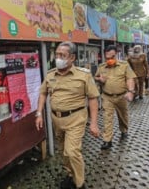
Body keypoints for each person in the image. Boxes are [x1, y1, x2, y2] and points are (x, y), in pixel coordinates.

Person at [35, 41, 100, 189]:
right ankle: (70, 175)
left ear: (72, 58)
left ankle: (79, 183)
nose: (58, 58)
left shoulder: (84, 75)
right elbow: (43, 93)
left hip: (76, 118)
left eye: (62, 55)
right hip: (56, 119)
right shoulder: (51, 74)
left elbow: (93, 98)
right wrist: (38, 113)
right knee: (63, 151)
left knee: (72, 151)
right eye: (57, 54)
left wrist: (94, 123)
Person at [95, 45, 136, 150]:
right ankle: (107, 140)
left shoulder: (124, 65)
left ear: (116, 54)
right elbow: (96, 77)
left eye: (112, 57)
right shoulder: (101, 66)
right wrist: (100, 79)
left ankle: (124, 130)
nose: (109, 60)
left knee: (123, 116)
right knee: (107, 118)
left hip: (121, 96)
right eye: (107, 58)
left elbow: (130, 78)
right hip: (107, 96)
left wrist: (131, 91)